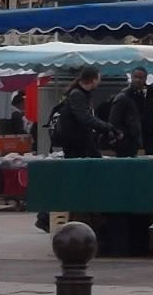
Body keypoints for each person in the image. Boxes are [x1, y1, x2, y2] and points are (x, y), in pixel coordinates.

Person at [37, 66, 118, 232]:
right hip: (77, 146)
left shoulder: (80, 94)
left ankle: (90, 215)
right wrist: (107, 127)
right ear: (94, 79)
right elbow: (85, 118)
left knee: (81, 181)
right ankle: (47, 216)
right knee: (75, 182)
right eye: (99, 78)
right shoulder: (77, 95)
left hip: (82, 145)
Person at [107, 68, 153, 156]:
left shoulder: (141, 96)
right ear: (131, 77)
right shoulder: (123, 97)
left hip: (136, 140)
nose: (138, 80)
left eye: (141, 78)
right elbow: (114, 120)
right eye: (135, 77)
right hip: (126, 141)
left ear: (145, 79)